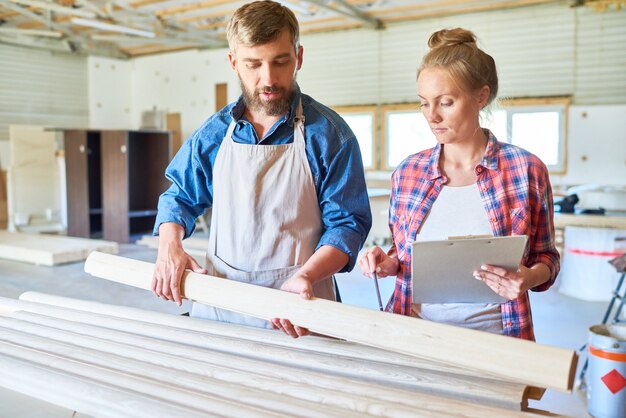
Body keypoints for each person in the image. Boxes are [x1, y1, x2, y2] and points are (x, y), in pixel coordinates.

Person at [152, 0, 371, 338]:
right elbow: (179, 196)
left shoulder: (329, 136)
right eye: (253, 64)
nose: (268, 79)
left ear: (298, 57)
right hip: (221, 308)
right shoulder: (214, 133)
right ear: (233, 63)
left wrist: (308, 276)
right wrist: (170, 246)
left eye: (280, 62)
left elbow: (348, 226)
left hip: (300, 308)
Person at [358, 28, 559, 340]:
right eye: (424, 103)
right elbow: (403, 254)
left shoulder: (526, 169)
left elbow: (547, 258)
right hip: (413, 335)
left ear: (481, 96)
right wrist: (387, 262)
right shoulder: (408, 173)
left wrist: (529, 277)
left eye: (446, 102)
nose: (432, 116)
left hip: (498, 337)